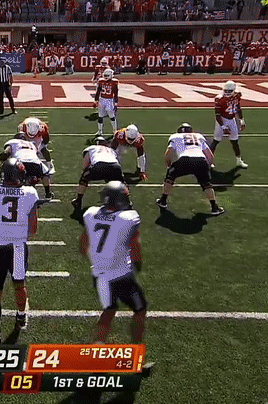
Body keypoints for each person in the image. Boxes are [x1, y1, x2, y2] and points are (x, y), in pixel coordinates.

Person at [80, 181, 147, 344]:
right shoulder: (128, 218)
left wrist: (99, 260)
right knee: (140, 310)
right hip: (121, 275)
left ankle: (98, 346)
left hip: (99, 275)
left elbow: (83, 245)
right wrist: (137, 264)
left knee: (109, 310)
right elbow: (135, 246)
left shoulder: (91, 214)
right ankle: (135, 349)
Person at [0, 158, 40, 344]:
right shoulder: (30, 193)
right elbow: (33, 229)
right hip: (18, 247)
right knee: (19, 285)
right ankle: (21, 315)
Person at [155, 123, 224, 215]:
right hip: (201, 160)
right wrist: (207, 166)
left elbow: (169, 151)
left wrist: (169, 165)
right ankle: (214, 207)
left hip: (185, 160)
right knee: (206, 184)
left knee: (170, 178)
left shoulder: (175, 136)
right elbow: (209, 155)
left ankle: (163, 200)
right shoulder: (199, 136)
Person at [71, 136, 125, 212]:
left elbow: (85, 166)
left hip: (99, 165)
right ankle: (127, 201)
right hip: (115, 167)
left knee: (84, 178)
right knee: (121, 183)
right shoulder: (111, 150)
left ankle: (78, 200)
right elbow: (117, 162)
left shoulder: (91, 148)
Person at [1, 132, 54, 199]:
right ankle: (48, 192)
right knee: (46, 173)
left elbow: (5, 153)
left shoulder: (13, 142)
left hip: (21, 163)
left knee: (10, 169)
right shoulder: (31, 144)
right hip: (35, 163)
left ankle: (11, 188)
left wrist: (2, 163)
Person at [211, 80, 247, 168]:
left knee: (234, 141)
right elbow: (217, 115)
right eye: (225, 90)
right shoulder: (219, 99)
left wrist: (241, 119)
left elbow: (238, 107)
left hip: (232, 120)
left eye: (229, 91)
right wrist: (223, 126)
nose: (227, 92)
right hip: (222, 120)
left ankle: (239, 160)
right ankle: (209, 160)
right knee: (216, 141)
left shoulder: (237, 96)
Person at [94, 68, 118, 136]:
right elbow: (98, 91)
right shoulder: (101, 81)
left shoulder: (114, 82)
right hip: (102, 99)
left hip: (109, 100)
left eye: (107, 75)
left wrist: (116, 103)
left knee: (112, 116)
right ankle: (100, 131)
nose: (106, 77)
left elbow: (115, 93)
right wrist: (96, 100)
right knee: (100, 116)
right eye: (105, 75)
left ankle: (115, 130)